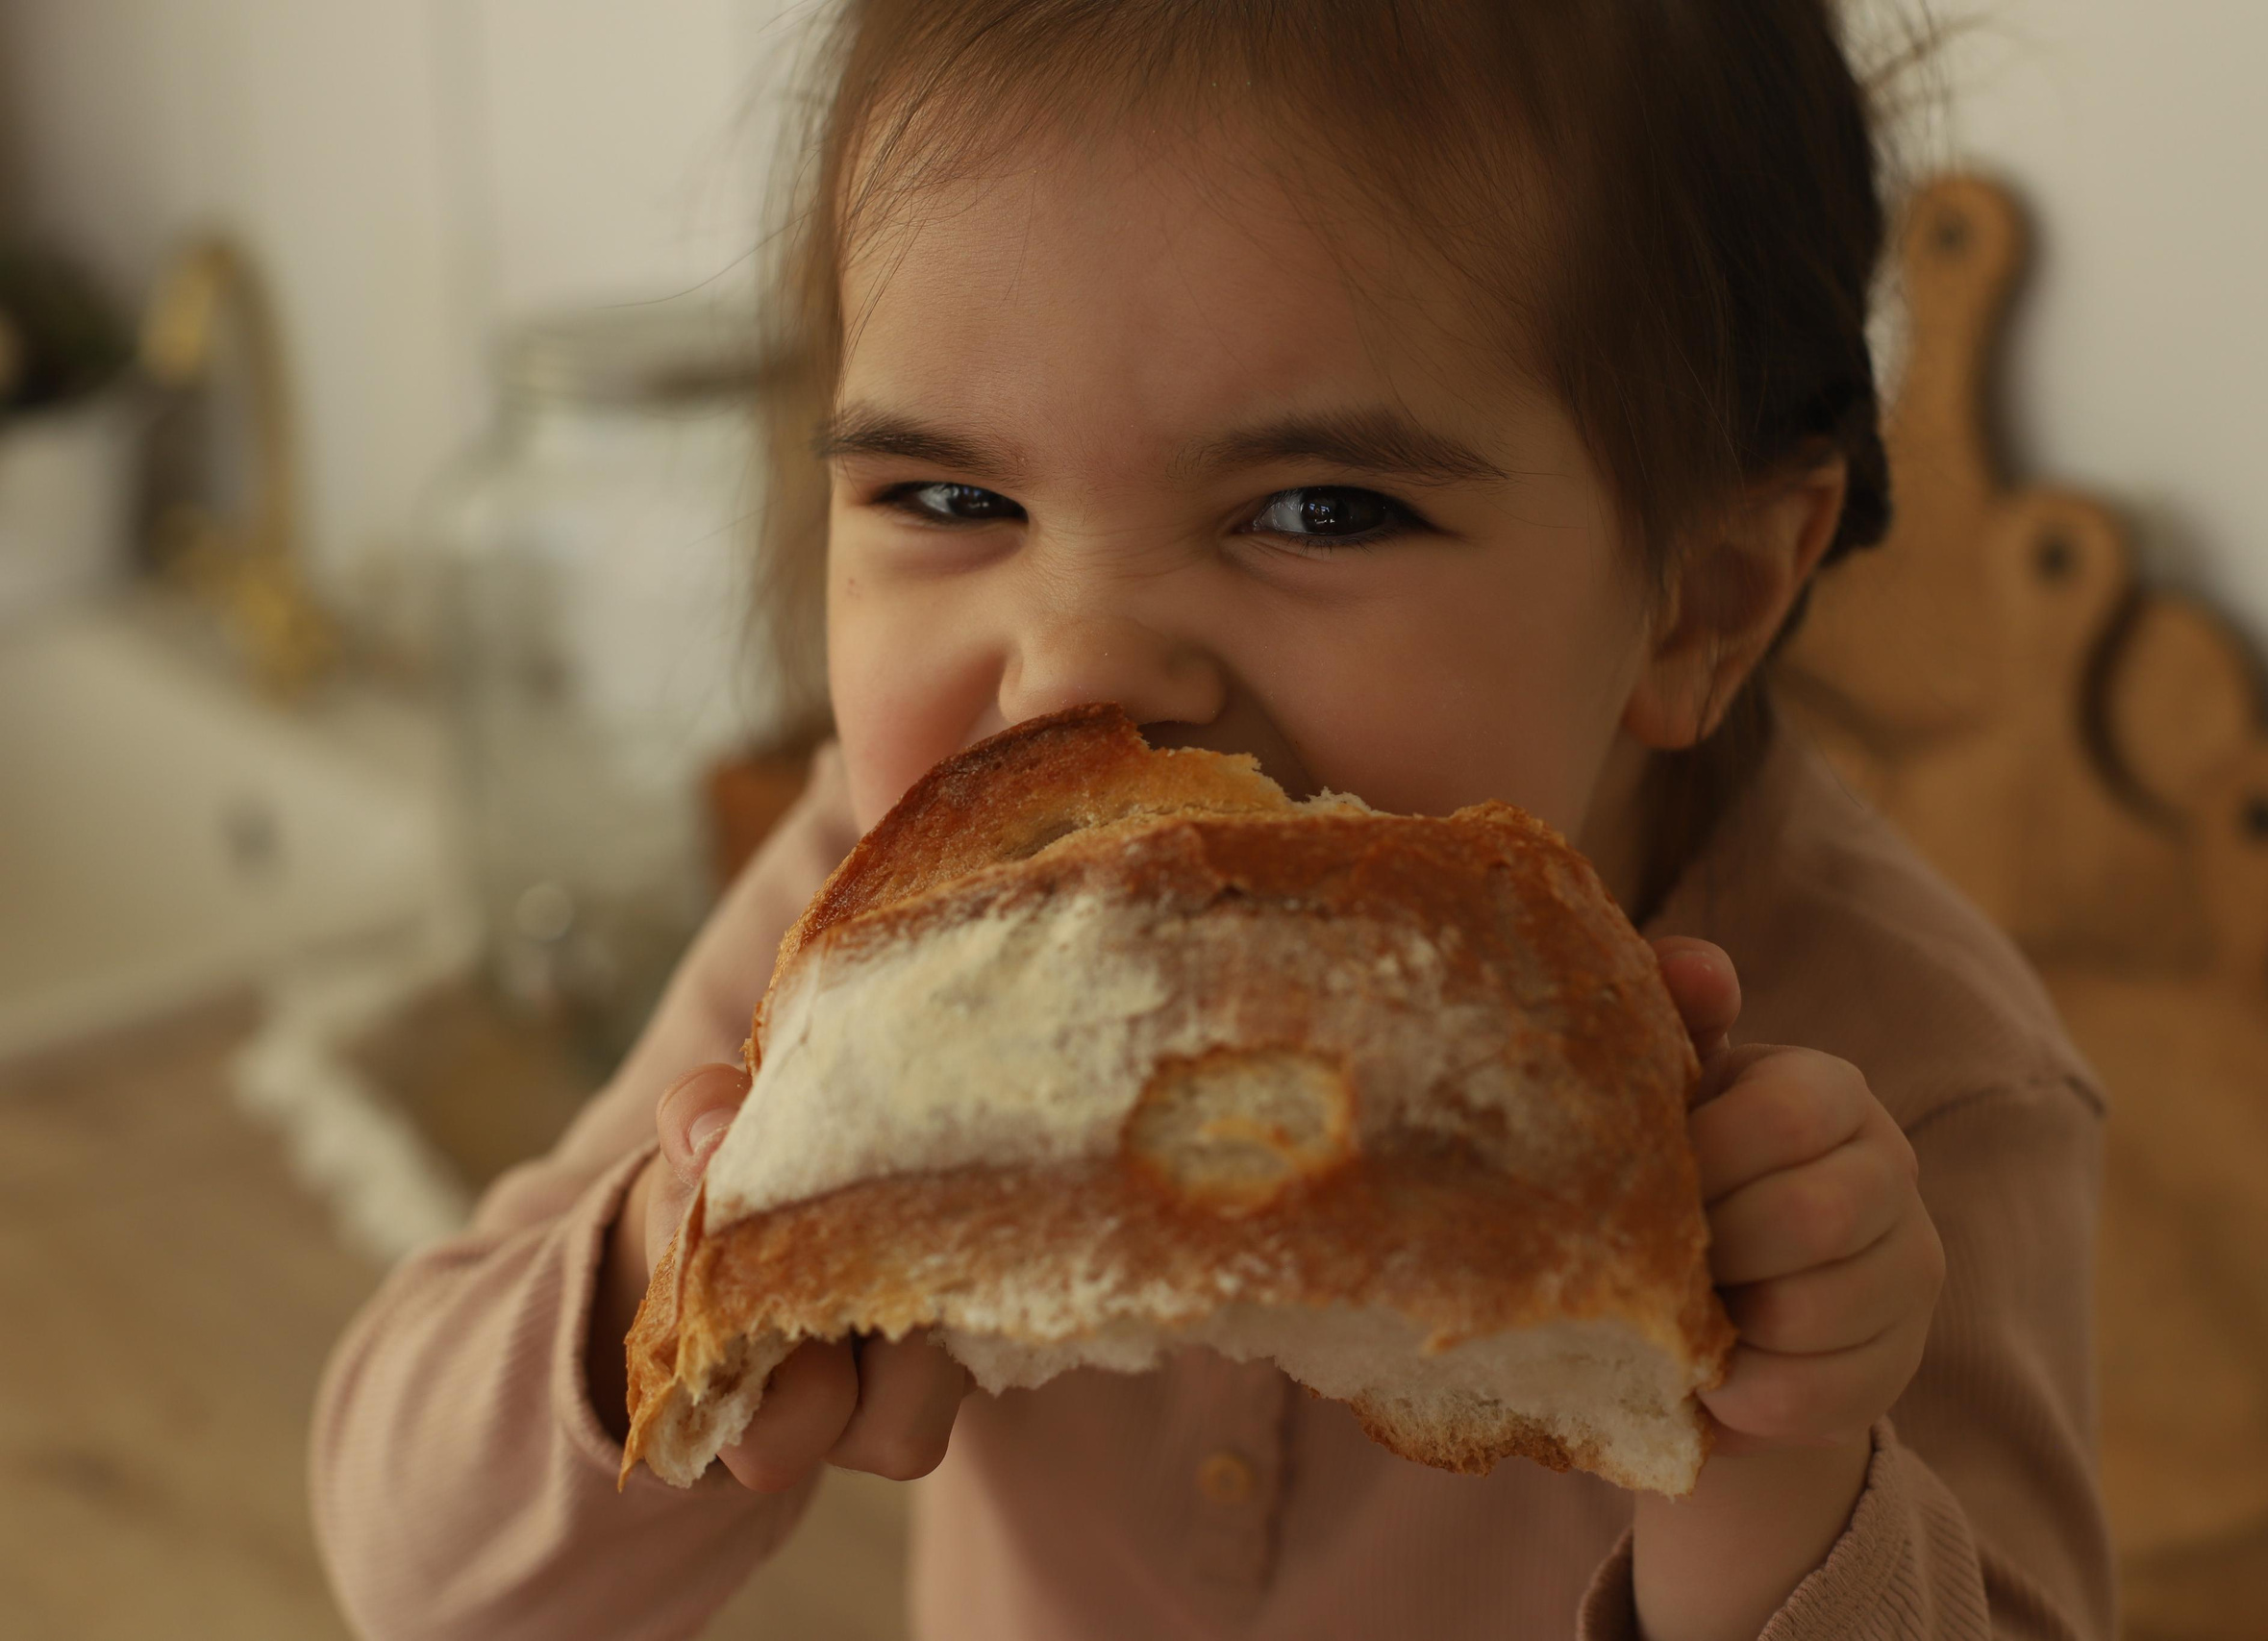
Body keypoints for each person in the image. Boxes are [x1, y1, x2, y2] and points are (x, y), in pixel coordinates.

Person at [312, 3, 2112, 1636]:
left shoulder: (1903, 1094)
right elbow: (414, 1576)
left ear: (1703, 599)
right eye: (950, 494)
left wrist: (1783, 1470)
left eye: (1319, 512)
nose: (1074, 676)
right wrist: (664, 1282)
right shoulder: (883, 926)